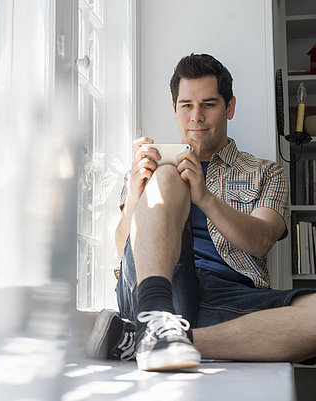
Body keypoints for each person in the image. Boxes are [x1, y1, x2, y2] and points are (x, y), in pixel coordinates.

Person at [85, 53, 316, 372]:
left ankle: (153, 338)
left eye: (209, 104)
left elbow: (261, 240)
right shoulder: (150, 168)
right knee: (168, 175)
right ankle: (156, 315)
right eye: (186, 105)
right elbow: (123, 246)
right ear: (175, 109)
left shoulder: (266, 173)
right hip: (152, 289)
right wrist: (138, 193)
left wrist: (205, 197)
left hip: (227, 295)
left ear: (229, 107)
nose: (196, 116)